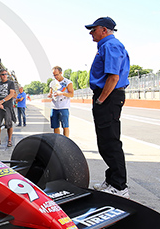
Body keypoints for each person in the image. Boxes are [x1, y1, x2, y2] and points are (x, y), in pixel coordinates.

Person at [85, 17, 131, 198]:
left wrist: (101, 99)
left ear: (104, 30)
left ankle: (120, 186)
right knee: (105, 141)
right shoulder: (106, 46)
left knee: (110, 141)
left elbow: (113, 77)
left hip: (109, 96)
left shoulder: (110, 46)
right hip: (108, 95)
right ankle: (112, 180)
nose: (91, 32)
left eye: (93, 29)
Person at [47, 66, 74, 137]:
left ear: (61, 73)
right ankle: (57, 141)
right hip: (54, 107)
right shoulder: (53, 83)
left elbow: (71, 94)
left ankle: (65, 141)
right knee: (55, 126)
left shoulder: (68, 82)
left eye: (57, 75)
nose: (55, 77)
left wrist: (62, 93)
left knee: (65, 126)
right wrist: (50, 94)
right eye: (54, 75)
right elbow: (51, 92)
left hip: (63, 107)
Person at [0, 69, 16, 147]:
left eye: (5, 74)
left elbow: (12, 94)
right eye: (2, 74)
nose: (4, 75)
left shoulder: (11, 83)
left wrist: (2, 101)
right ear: (0, 76)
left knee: (9, 123)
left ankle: (9, 140)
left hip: (7, 106)